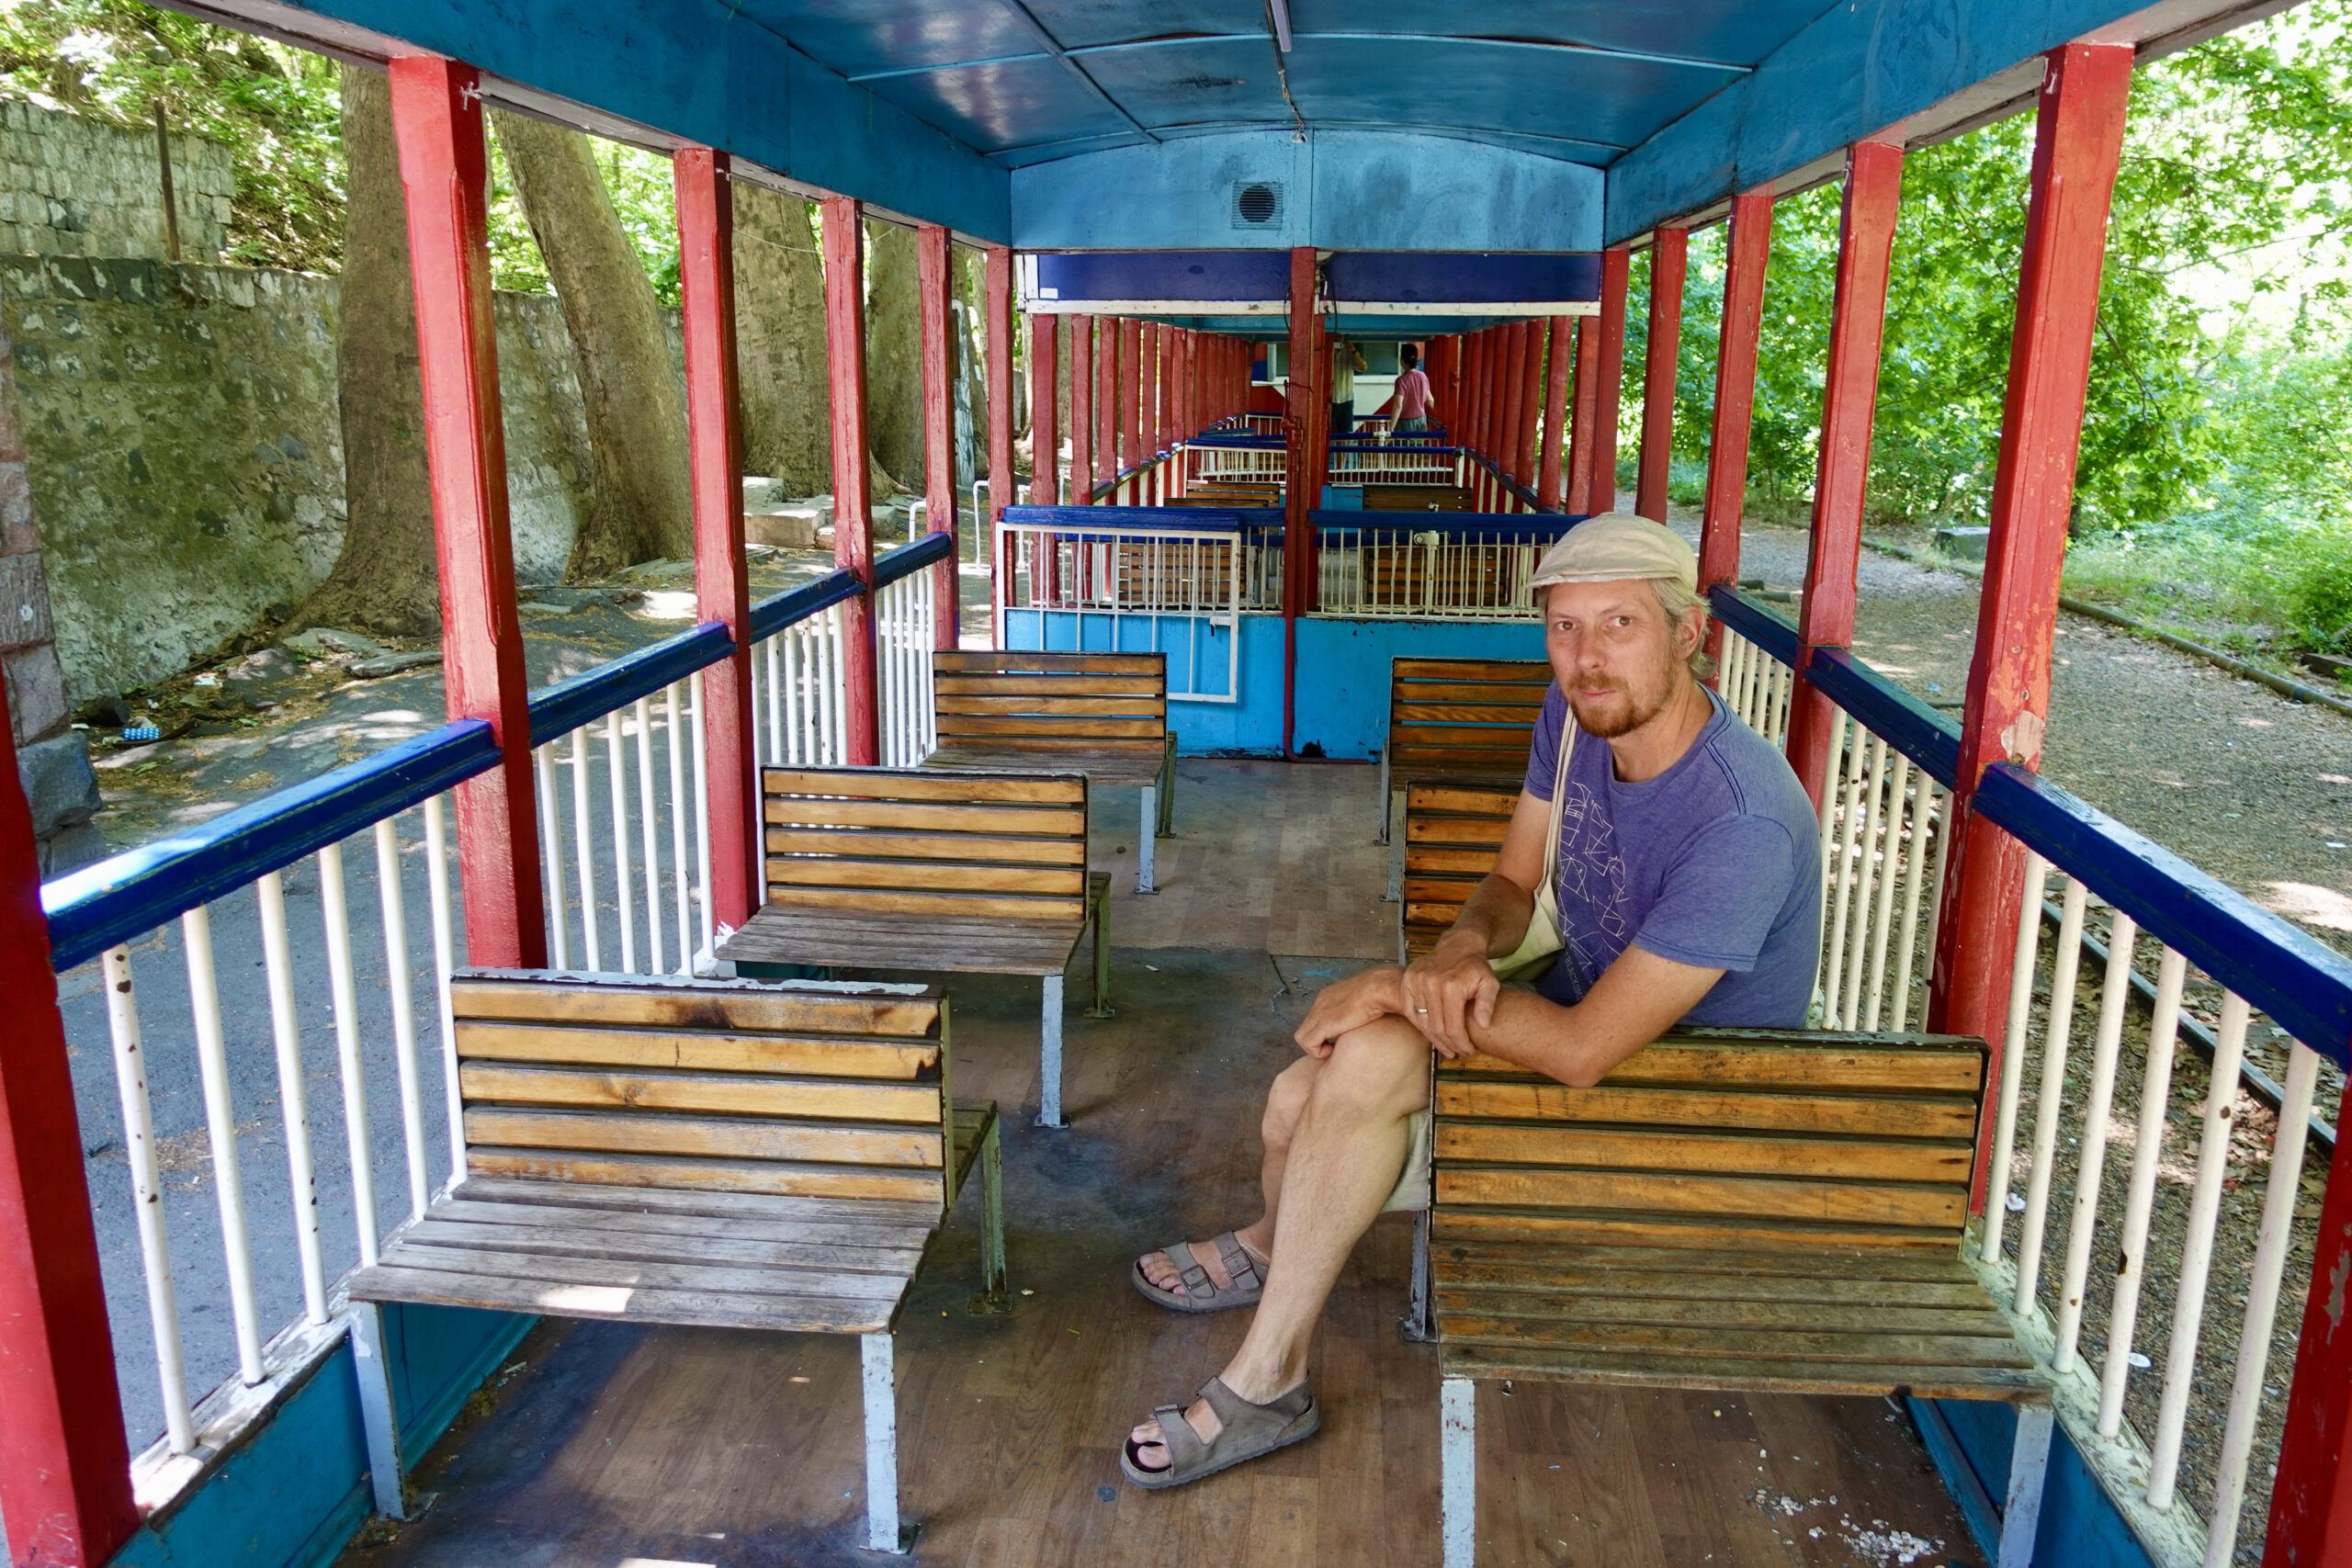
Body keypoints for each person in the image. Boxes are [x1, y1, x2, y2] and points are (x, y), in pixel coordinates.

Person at [1119, 513, 1824, 1489]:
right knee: (1302, 1096)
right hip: (1582, 1019)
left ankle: (1267, 1348)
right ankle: (1273, 1317)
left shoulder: (1740, 823)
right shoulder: (1576, 716)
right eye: (1564, 628)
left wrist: (1394, 987)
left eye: (1618, 624)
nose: (1585, 658)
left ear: (1688, 632)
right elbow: (1508, 881)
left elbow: (1583, 1050)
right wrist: (1454, 951)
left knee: (1321, 1084)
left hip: (1676, 1103)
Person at [1374, 343, 1432, 432]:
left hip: (1405, 423)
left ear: (1402, 360)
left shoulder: (1401, 381)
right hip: (1421, 421)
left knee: (1404, 445)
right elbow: (1430, 400)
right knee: (1419, 446)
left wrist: (1391, 428)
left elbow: (1398, 406)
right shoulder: (1423, 376)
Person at [1329, 339, 1367, 435]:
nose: (1339, 338)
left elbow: (1363, 367)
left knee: (1347, 436)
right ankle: (1329, 451)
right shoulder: (1326, 350)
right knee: (1327, 435)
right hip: (1329, 400)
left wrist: (1353, 350)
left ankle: (1345, 451)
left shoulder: (1350, 352)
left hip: (1347, 399)